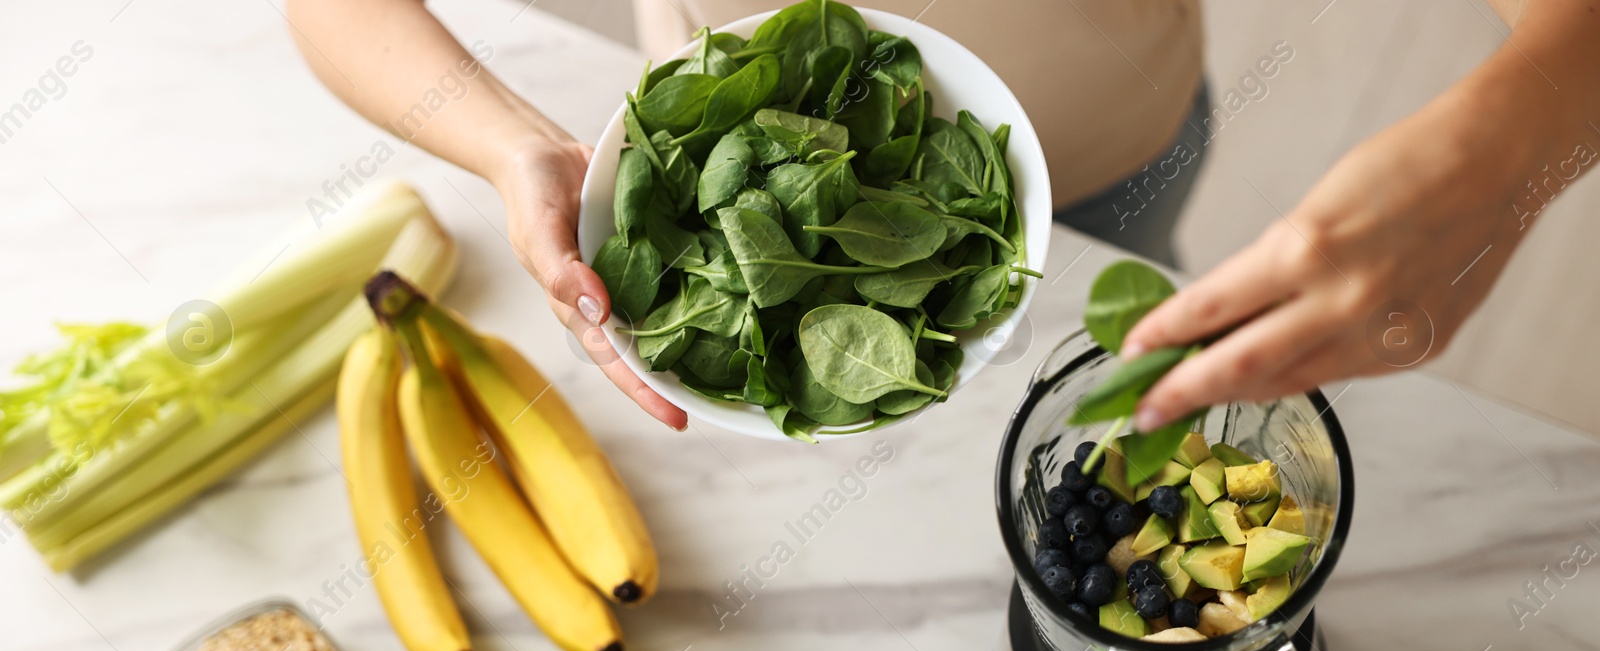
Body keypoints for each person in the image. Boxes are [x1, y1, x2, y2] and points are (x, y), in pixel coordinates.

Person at [287, 0, 1600, 434]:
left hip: (1110, 164)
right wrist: (512, 143)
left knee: (1108, 337)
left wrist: (1500, 148)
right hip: (715, 180)